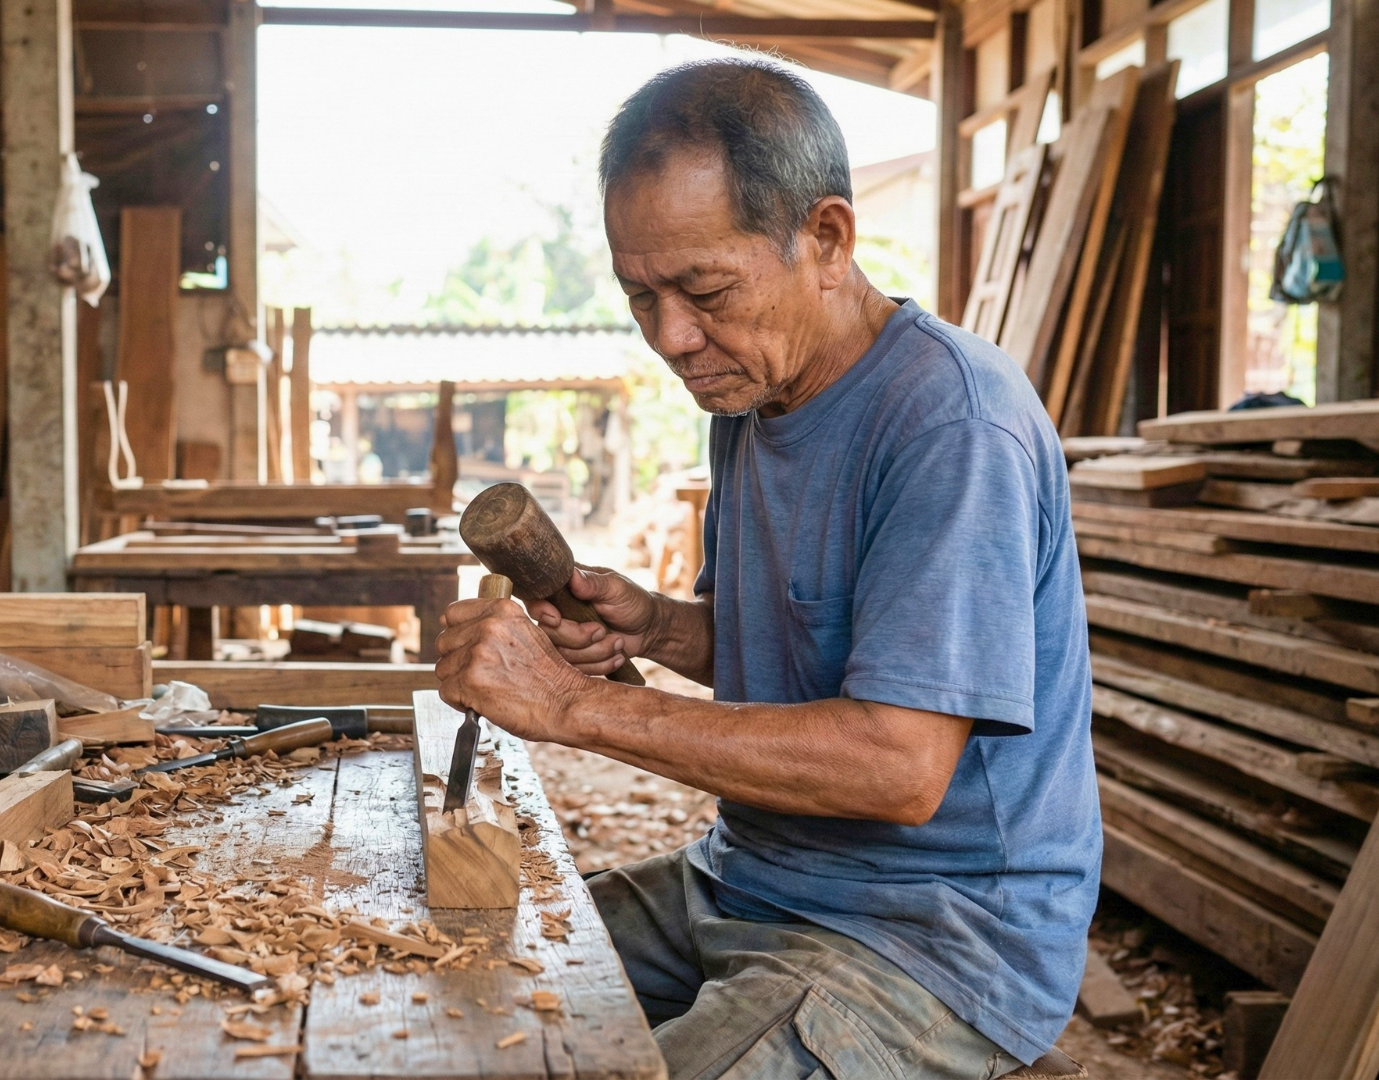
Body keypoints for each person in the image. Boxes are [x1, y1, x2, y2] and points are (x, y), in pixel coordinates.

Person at [433, 56, 1097, 1079]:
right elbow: (803, 644)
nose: (672, 338)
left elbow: (895, 761)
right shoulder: (751, 393)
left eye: (703, 290)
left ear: (826, 240)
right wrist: (651, 628)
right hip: (747, 880)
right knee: (442, 968)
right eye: (639, 296)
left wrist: (569, 704)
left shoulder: (952, 424)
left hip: (926, 937)